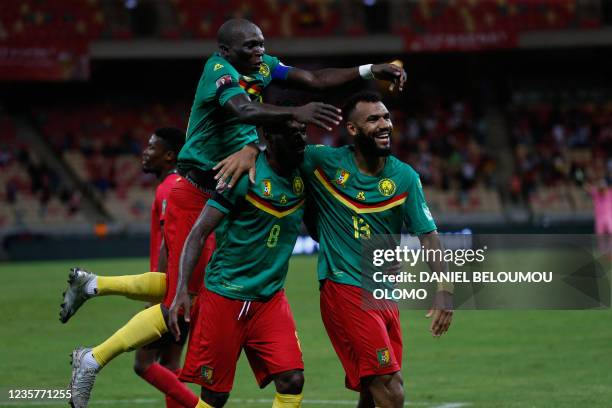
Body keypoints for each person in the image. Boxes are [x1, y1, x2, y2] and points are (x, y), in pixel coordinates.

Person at [67, 16, 405, 406]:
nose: (259, 50)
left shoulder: (261, 68)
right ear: (226, 50)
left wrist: (367, 70)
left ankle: (93, 286)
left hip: (228, 184)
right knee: (183, 296)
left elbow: (314, 80)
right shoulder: (218, 70)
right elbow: (243, 110)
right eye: (250, 46)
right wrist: (292, 117)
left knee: (188, 290)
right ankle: (93, 357)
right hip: (194, 190)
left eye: (261, 43)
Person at [299, 92, 454, 408]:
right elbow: (278, 153)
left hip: (383, 292)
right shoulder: (322, 162)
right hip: (344, 288)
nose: (384, 125)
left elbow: (428, 236)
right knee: (390, 388)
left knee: (372, 392)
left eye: (386, 117)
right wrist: (248, 151)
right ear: (352, 129)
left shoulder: (405, 177)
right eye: (373, 119)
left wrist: (445, 289)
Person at [169, 122, 308, 408]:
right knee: (215, 395)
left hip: (270, 299)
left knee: (292, 379)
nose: (299, 136)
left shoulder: (305, 172)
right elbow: (198, 232)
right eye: (290, 130)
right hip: (225, 296)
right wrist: (182, 287)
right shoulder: (244, 175)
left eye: (303, 130)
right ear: (268, 136)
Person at [60, 128, 199, 408]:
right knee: (169, 363)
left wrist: (156, 300)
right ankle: (93, 287)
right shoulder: (174, 185)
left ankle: (93, 287)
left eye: (152, 148)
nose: (145, 153)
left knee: (145, 363)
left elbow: (168, 246)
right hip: (183, 290)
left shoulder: (169, 188)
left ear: (169, 155)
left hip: (174, 292)